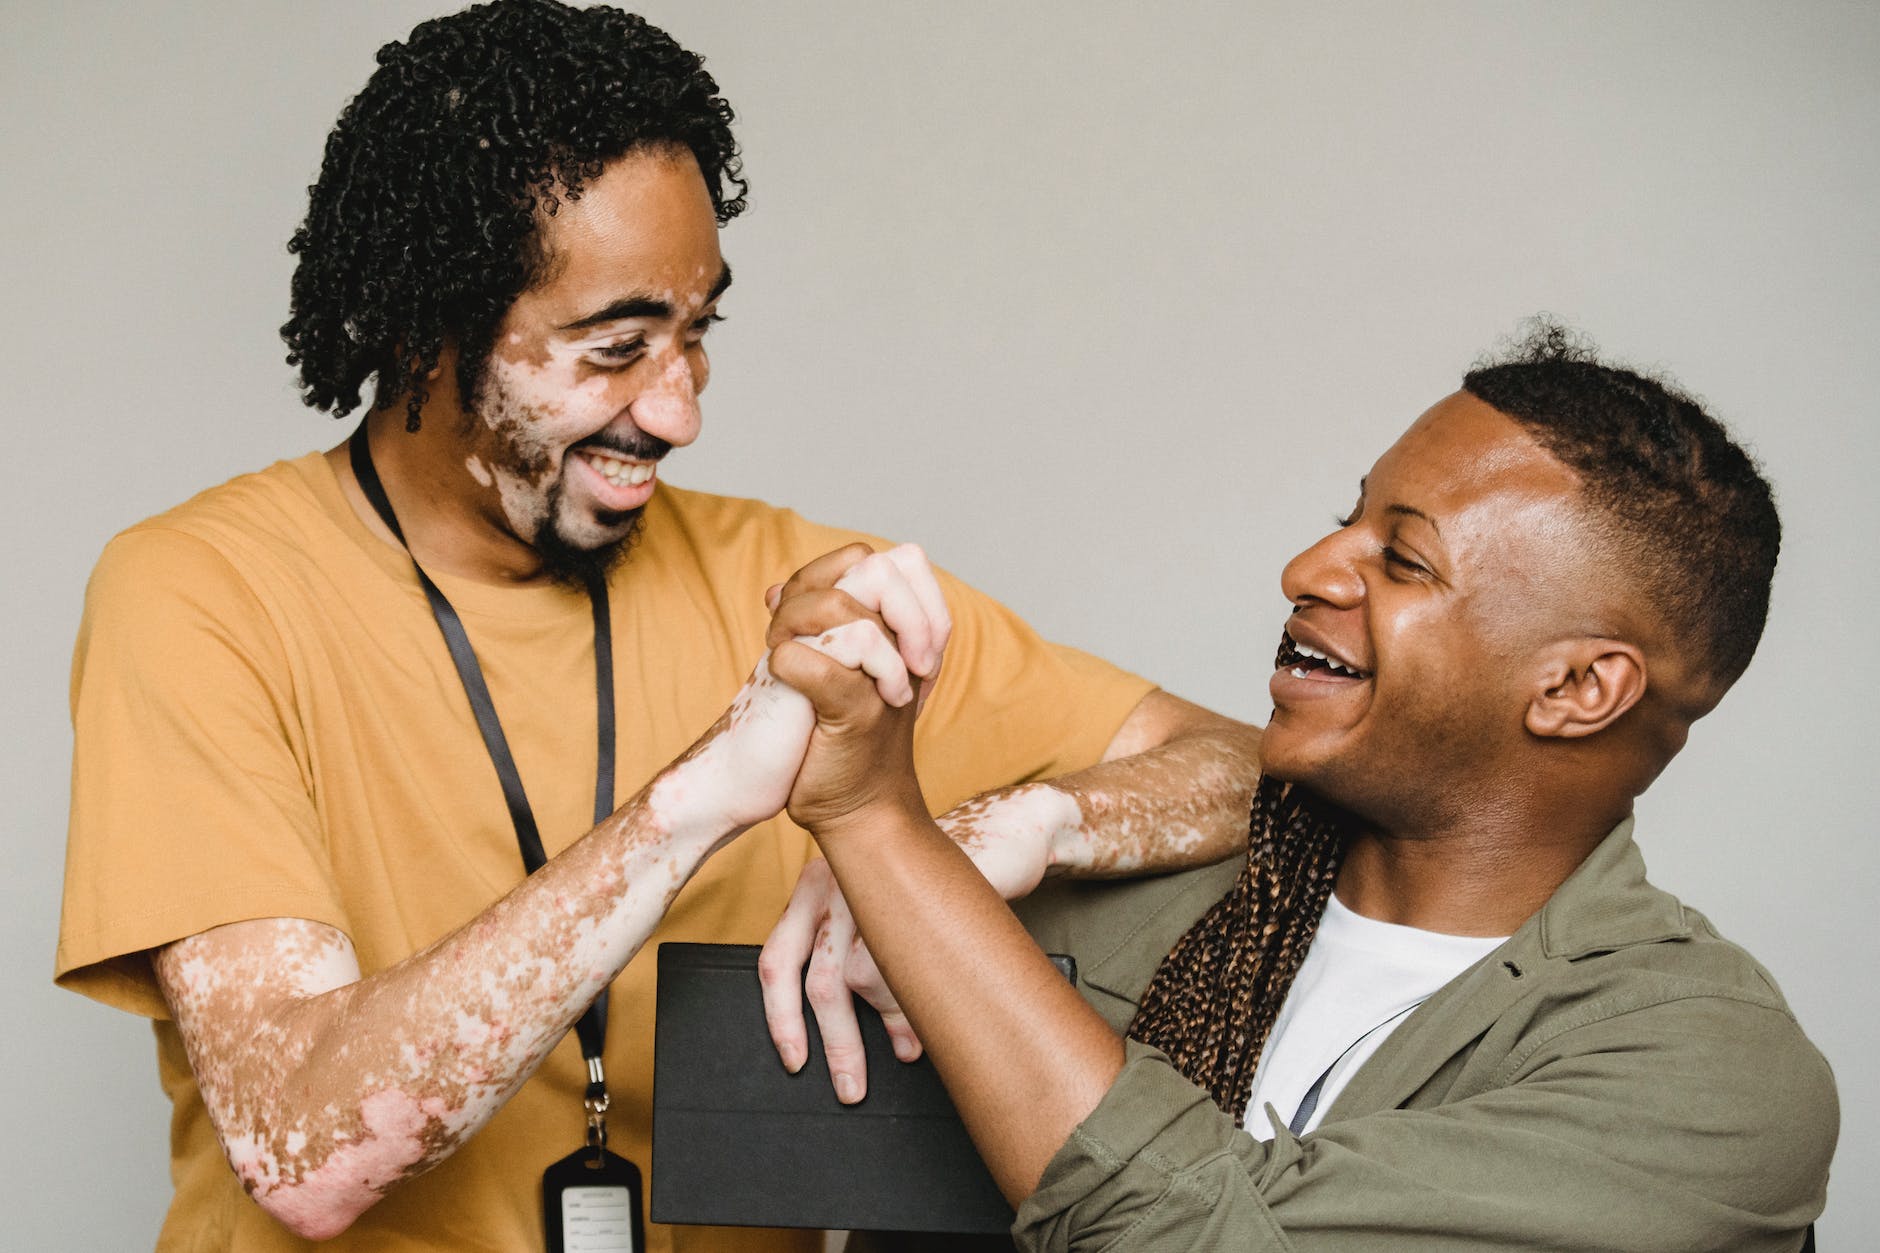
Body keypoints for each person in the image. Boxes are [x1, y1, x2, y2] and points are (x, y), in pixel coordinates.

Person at [51, 4, 1258, 1250]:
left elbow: (1243, 770)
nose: (675, 412)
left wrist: (1009, 829)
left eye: (696, 336)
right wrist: (692, 802)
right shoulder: (199, 590)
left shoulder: (793, 592)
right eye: (616, 347)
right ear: (426, 327)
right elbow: (300, 1147)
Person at [769, 325, 1838, 1251]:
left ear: (1573, 687)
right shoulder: (1096, 919)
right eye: (1348, 518)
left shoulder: (1706, 1077)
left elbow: (1183, 1228)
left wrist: (875, 820)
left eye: (1402, 560)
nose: (1310, 566)